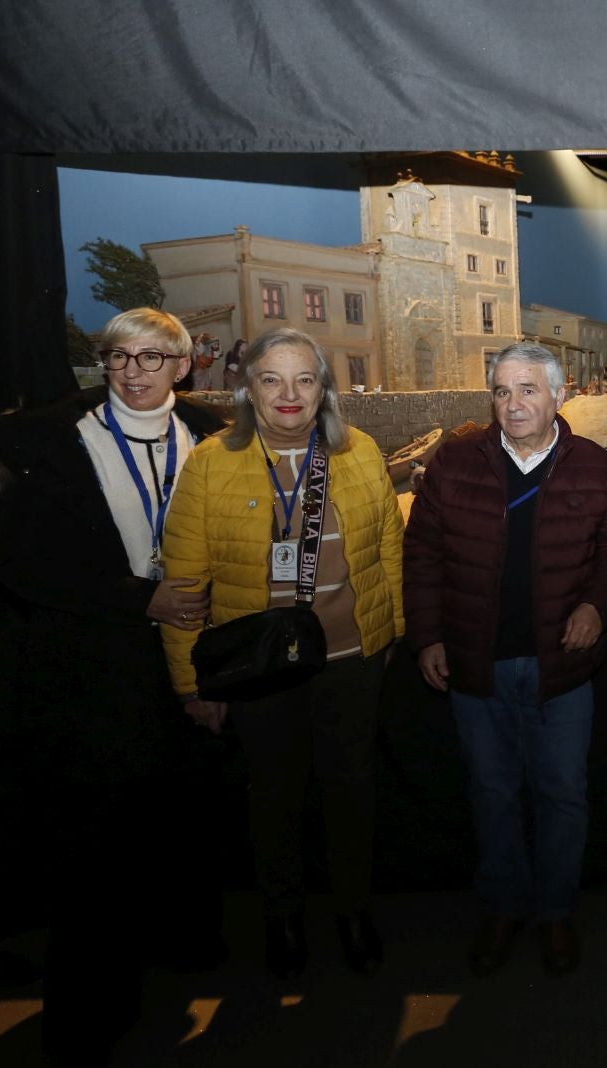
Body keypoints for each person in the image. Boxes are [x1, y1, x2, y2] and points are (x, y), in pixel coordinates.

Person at [0, 307, 227, 1063]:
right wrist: (133, 596)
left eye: (152, 358)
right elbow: (20, 562)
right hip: (93, 666)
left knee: (180, 819)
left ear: (184, 367)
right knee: (94, 842)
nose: (133, 372)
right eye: (119, 356)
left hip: (191, 657)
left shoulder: (215, 433)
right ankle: (88, 1014)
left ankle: (179, 959)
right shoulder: (48, 441)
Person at [160, 327, 405, 981]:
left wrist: (388, 636)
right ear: (249, 389)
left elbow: (388, 548)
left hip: (350, 658)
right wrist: (192, 683)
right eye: (272, 379)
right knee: (274, 796)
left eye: (304, 379)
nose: (289, 394)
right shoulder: (211, 463)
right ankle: (284, 917)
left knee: (351, 793)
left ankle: (352, 911)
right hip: (259, 671)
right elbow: (184, 582)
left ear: (323, 388)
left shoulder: (359, 452)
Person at [405, 342, 607, 978]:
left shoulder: (598, 470)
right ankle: (503, 908)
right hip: (475, 666)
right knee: (492, 793)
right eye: (503, 391)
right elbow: (422, 554)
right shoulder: (452, 466)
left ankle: (556, 912)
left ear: (559, 396)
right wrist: (427, 636)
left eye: (529, 390)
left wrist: (596, 607)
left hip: (560, 669)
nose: (514, 404)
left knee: (563, 795)